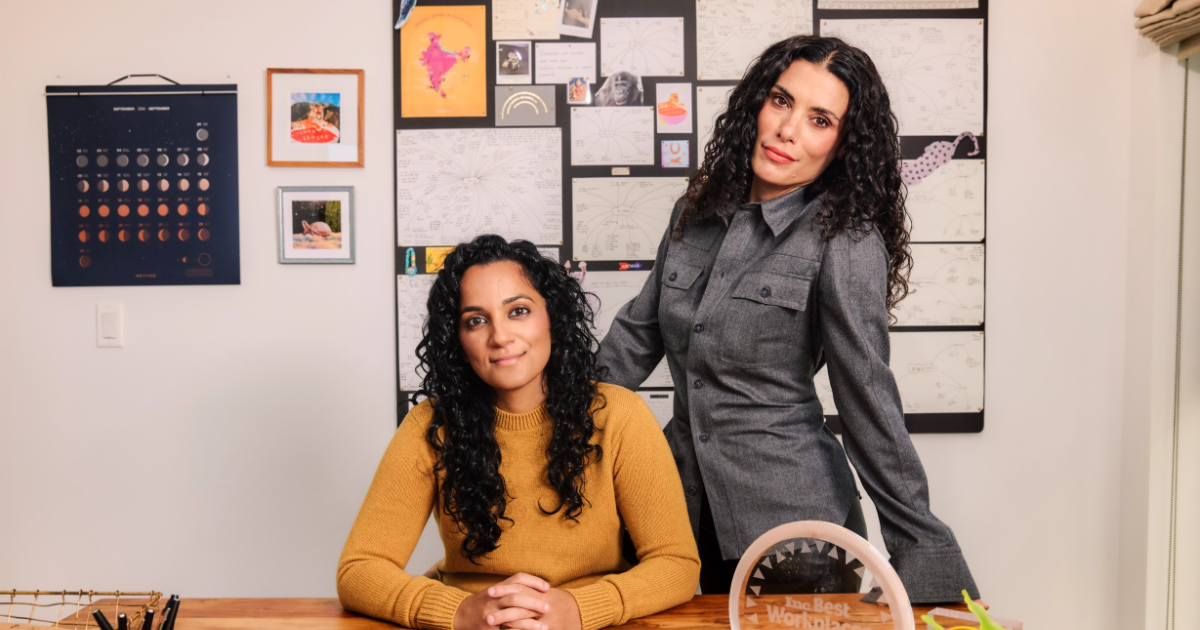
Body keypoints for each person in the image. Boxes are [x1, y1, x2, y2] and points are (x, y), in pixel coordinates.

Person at [595, 35, 980, 604]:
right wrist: (543, 425)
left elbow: (868, 400)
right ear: (756, 103)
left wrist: (926, 557)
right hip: (678, 514)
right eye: (781, 101)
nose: (788, 129)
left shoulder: (845, 241)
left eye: (819, 119)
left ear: (842, 144)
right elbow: (634, 337)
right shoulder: (693, 212)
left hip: (797, 534)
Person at [337, 236, 700, 630]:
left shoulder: (620, 416)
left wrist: (580, 608)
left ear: (553, 319)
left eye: (518, 311)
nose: (500, 337)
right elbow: (359, 570)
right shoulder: (430, 425)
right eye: (476, 320)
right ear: (458, 342)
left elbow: (676, 564)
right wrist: (455, 612)